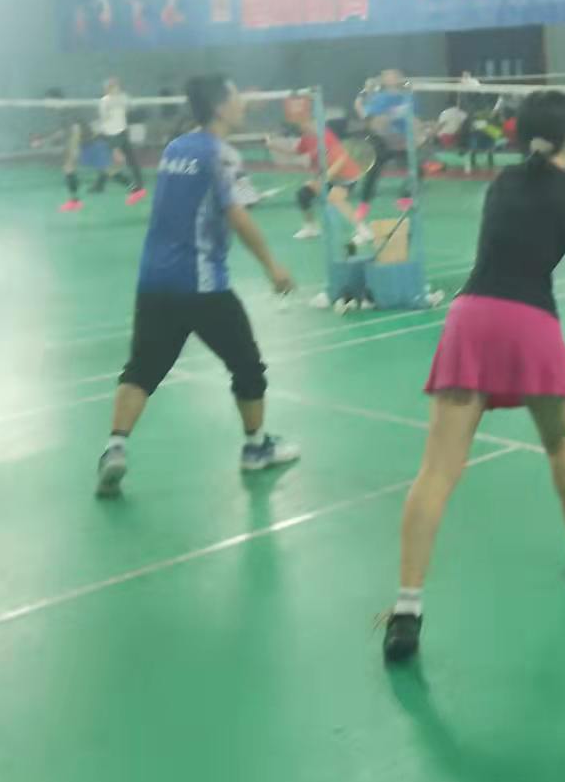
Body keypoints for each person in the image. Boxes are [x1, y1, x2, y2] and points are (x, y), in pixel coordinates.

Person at [383, 90, 565, 663]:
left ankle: (405, 610)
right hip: (529, 324)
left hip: (470, 317)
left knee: (436, 471)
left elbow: (530, 240)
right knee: (561, 442)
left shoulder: (502, 183)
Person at [95, 75, 299, 498]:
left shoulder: (175, 149)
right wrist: (272, 266)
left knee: (141, 370)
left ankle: (115, 447)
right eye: (237, 96)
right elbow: (237, 215)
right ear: (220, 106)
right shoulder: (222, 154)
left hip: (154, 281)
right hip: (203, 285)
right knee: (247, 367)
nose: (242, 103)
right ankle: (256, 447)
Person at [268, 120, 363, 240]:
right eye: (301, 124)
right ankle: (311, 228)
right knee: (304, 194)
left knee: (335, 199)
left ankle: (363, 230)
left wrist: (326, 177)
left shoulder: (326, 135)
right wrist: (273, 146)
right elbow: (297, 152)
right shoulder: (306, 138)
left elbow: (341, 159)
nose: (303, 126)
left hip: (346, 174)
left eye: (306, 122)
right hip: (328, 174)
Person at [354, 69, 414, 224]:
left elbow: (413, 119)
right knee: (372, 173)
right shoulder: (379, 98)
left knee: (417, 170)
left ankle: (405, 198)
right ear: (384, 81)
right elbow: (372, 121)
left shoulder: (408, 98)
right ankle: (364, 205)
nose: (393, 78)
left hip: (402, 141)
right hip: (382, 141)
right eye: (388, 76)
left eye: (395, 76)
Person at [93, 76, 146, 205]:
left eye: (116, 86)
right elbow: (104, 118)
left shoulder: (124, 97)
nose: (115, 88)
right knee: (113, 162)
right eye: (111, 86)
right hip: (111, 134)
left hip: (123, 133)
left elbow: (130, 108)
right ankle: (101, 185)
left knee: (131, 159)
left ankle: (138, 185)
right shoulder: (104, 101)